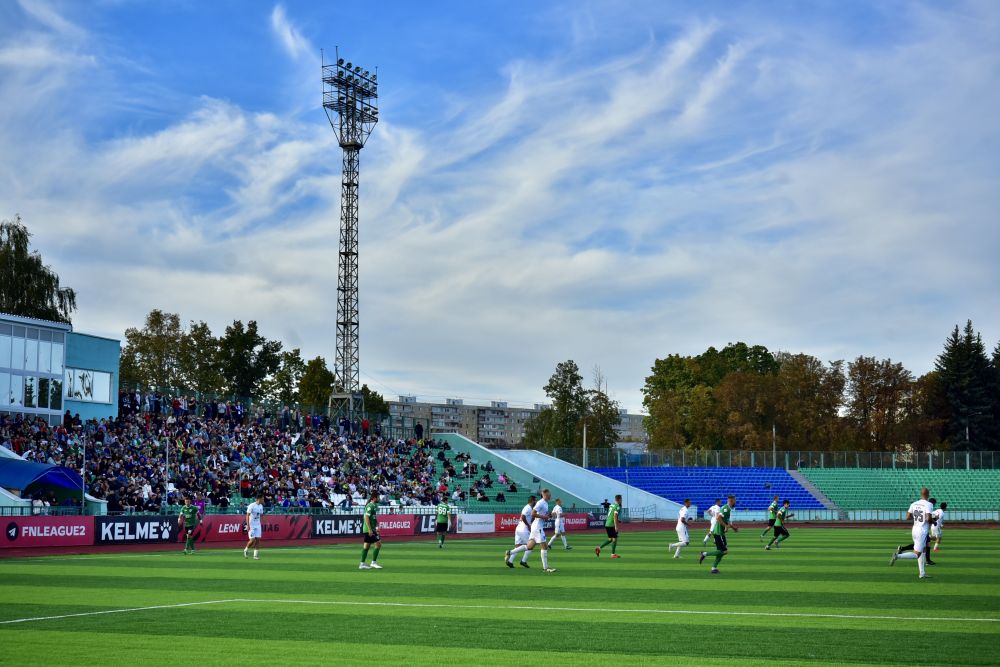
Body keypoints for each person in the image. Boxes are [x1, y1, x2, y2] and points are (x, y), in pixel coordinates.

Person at [889, 487, 934, 578]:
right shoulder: (929, 504)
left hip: (915, 529)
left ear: (921, 494)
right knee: (917, 554)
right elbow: (929, 518)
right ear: (928, 495)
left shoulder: (914, 503)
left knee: (923, 549)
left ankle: (922, 573)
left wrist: (918, 517)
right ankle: (897, 556)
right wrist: (933, 521)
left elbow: (908, 517)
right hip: (922, 531)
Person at [699, 495, 737, 574]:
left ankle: (713, 568)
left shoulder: (727, 508)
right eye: (734, 500)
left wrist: (733, 528)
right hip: (718, 532)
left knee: (721, 551)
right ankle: (704, 554)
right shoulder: (726, 509)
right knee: (725, 551)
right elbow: (718, 518)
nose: (735, 502)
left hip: (720, 533)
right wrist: (726, 526)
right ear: (731, 501)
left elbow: (726, 520)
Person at [505, 495, 536, 568]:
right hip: (523, 529)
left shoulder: (530, 508)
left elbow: (528, 517)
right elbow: (523, 516)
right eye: (535, 500)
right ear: (532, 501)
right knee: (531, 545)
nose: (536, 502)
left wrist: (531, 521)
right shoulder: (527, 507)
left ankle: (510, 561)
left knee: (518, 546)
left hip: (519, 528)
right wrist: (528, 525)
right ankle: (523, 560)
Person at [360, 492, 383, 569]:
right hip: (369, 529)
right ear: (374, 498)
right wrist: (370, 529)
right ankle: (373, 563)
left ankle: (362, 564)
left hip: (371, 529)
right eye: (378, 497)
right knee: (378, 544)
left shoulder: (374, 506)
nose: (379, 499)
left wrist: (376, 527)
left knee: (367, 546)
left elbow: (374, 518)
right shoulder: (370, 506)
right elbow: (366, 517)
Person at [596, 494, 622, 558]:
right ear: (619, 499)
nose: (621, 500)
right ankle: (613, 554)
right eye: (621, 499)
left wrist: (617, 520)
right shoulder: (617, 506)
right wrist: (616, 526)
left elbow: (611, 514)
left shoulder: (612, 505)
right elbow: (615, 516)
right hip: (611, 524)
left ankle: (599, 548)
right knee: (614, 539)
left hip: (607, 523)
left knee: (610, 539)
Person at [244, 493, 264, 560]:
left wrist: (263, 522)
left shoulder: (261, 506)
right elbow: (247, 515)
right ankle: (246, 549)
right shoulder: (252, 505)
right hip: (251, 524)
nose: (263, 500)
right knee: (252, 540)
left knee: (258, 540)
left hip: (258, 525)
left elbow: (261, 515)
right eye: (262, 499)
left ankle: (255, 556)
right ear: (259, 499)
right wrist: (248, 525)